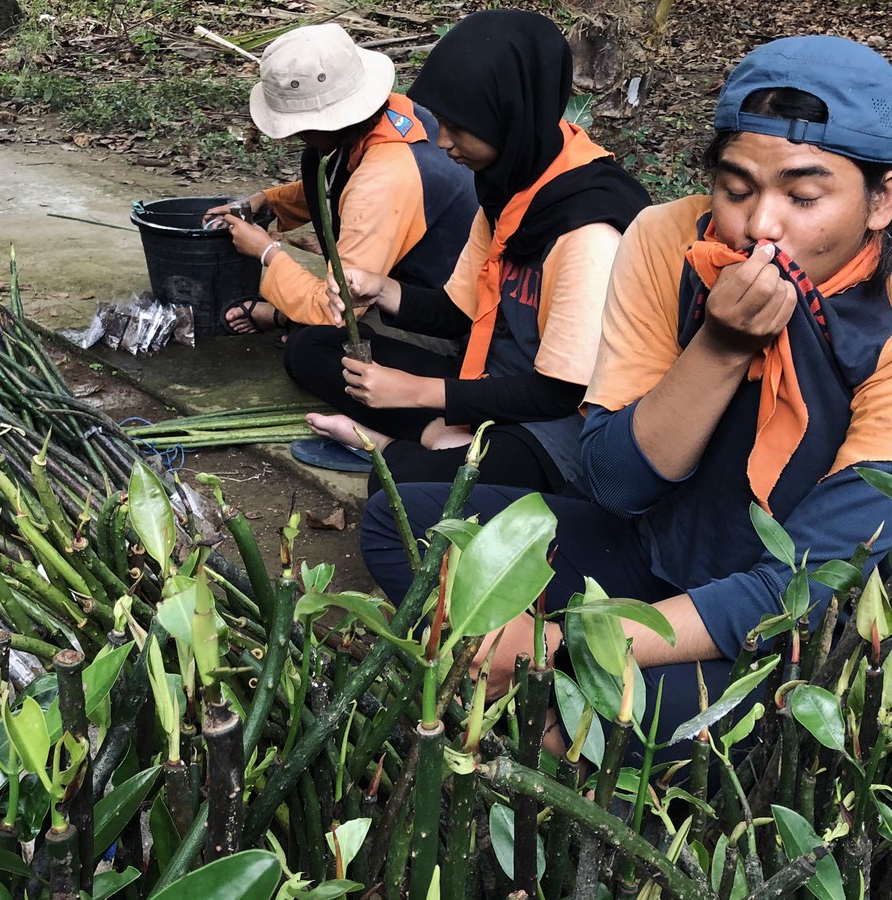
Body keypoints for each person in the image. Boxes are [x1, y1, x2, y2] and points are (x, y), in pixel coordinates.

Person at [362, 34, 892, 752]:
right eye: (737, 190)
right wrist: (720, 346)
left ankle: (547, 704)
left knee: (622, 716)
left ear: (881, 200)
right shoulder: (669, 239)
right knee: (401, 522)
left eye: (804, 196)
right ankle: (544, 702)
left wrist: (562, 644)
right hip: (655, 551)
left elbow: (804, 587)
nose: (761, 226)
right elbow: (617, 484)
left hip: (786, 625)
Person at [283, 10, 650, 493]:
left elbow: (559, 393)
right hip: (486, 380)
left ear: (508, 116)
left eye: (457, 128)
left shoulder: (588, 228)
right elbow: (459, 312)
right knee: (311, 347)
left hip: (558, 421)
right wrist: (381, 289)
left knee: (406, 491)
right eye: (440, 123)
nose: (442, 142)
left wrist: (416, 392)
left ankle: (392, 447)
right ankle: (436, 437)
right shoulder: (507, 186)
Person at [204, 23, 477, 334]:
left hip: (439, 312)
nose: (297, 137)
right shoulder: (396, 114)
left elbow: (336, 308)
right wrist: (268, 201)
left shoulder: (382, 179)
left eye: (302, 130)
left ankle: (286, 319)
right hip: (402, 277)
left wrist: (267, 252)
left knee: (314, 345)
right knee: (314, 161)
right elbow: (340, 185)